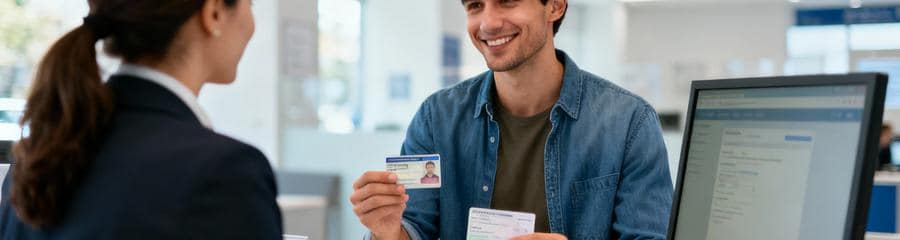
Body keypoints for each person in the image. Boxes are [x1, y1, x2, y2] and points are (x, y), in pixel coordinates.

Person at [349, 0, 672, 239]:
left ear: (555, 7)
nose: (488, 23)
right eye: (475, 6)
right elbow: (416, 228)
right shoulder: (437, 118)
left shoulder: (629, 122)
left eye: (507, 2)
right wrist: (388, 230)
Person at [0, 0, 283, 239]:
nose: (252, 23)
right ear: (214, 13)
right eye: (250, 3)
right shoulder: (225, 172)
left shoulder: (41, 153)